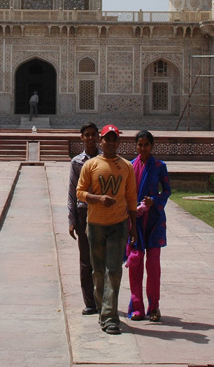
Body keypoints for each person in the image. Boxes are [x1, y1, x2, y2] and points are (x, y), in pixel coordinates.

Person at [76, 124, 137, 335]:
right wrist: (98, 199)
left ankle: (110, 317)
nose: (110, 143)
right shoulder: (90, 165)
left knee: (114, 270)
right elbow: (79, 192)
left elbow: (131, 198)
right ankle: (104, 309)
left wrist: (133, 226)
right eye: (107, 139)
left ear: (118, 142)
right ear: (100, 141)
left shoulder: (127, 166)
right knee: (98, 271)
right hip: (95, 224)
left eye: (114, 139)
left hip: (119, 223)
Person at [126, 130, 171, 322]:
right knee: (135, 263)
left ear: (152, 146)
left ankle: (154, 306)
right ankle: (137, 307)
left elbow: (167, 190)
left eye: (146, 145)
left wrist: (154, 200)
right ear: (135, 146)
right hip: (136, 220)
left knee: (153, 265)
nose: (143, 148)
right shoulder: (129, 167)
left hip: (153, 220)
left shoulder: (160, 166)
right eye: (140, 145)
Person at [68, 122, 100, 316]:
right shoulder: (77, 162)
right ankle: (90, 302)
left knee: (103, 261)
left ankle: (104, 299)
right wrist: (71, 219)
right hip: (83, 213)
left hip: (103, 213)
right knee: (86, 260)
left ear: (97, 137)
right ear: (81, 137)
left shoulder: (107, 159)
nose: (89, 138)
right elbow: (72, 192)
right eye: (86, 135)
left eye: (92, 134)